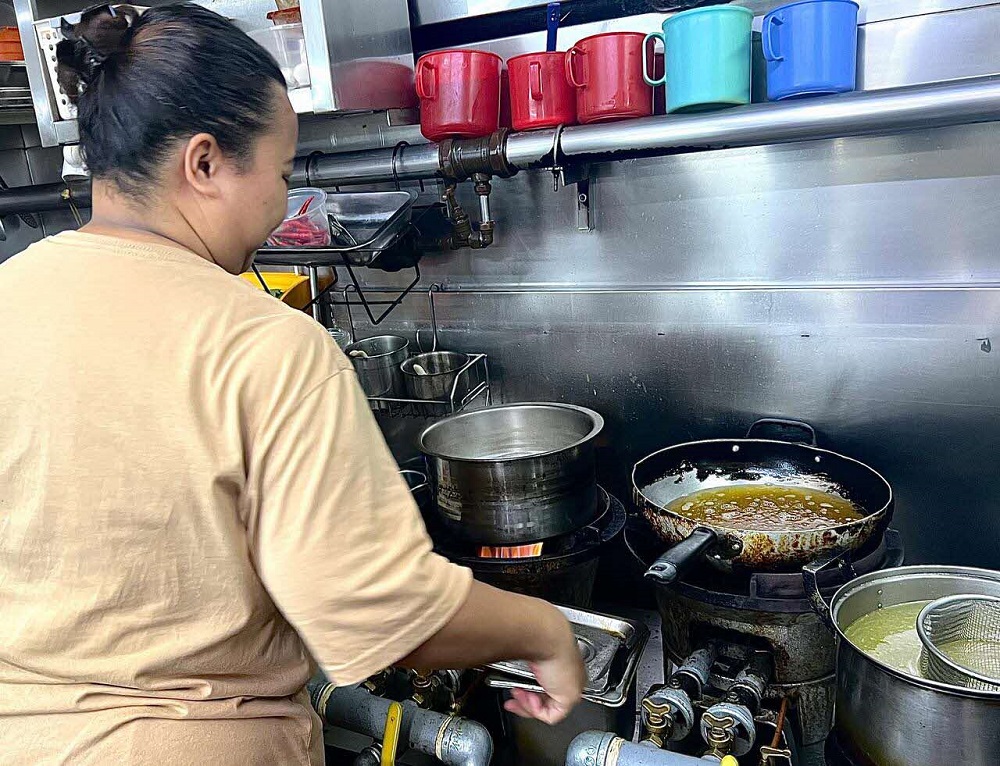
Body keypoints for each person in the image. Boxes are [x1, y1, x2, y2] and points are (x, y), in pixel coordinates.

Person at [0, 5, 584, 764]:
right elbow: (382, 614)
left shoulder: (10, 294)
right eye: (280, 175)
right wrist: (546, 632)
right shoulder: (263, 343)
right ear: (204, 164)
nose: (282, 205)